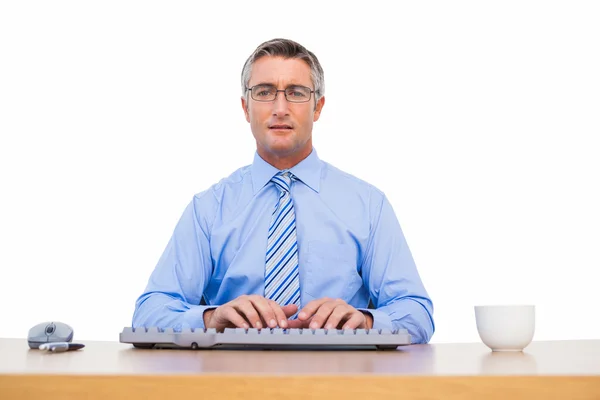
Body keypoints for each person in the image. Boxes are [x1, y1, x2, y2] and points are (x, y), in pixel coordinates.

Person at [132, 38, 435, 343]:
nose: (280, 108)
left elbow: (417, 314)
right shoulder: (209, 208)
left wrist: (367, 322)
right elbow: (149, 314)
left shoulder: (369, 205)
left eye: (296, 93)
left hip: (339, 382)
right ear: (245, 108)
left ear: (318, 107)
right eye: (264, 92)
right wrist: (211, 318)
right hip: (231, 383)